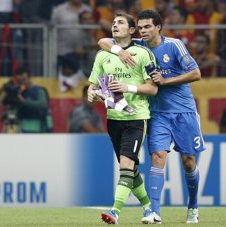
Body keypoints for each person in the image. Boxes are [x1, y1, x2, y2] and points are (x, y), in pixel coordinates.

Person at [98, 9, 205, 224]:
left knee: (188, 162)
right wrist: (120, 51)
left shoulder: (173, 45)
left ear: (158, 27)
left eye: (148, 27)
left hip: (184, 111)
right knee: (157, 158)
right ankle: (154, 211)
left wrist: (167, 81)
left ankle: (193, 205)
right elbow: (103, 41)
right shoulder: (138, 46)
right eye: (140, 27)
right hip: (157, 114)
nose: (143, 31)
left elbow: (196, 74)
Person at [88, 12, 158, 224]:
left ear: (131, 30)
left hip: (136, 118)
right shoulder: (102, 55)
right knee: (131, 169)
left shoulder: (142, 53)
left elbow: (153, 89)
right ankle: (148, 209)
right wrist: (91, 92)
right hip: (114, 118)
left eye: (120, 23)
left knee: (126, 165)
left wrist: (127, 87)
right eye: (113, 22)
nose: (114, 25)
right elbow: (94, 84)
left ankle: (115, 211)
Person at [0, 67, 53, 133]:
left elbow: (43, 105)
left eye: (24, 80)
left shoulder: (38, 91)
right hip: (21, 132)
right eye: (19, 81)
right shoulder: (17, 92)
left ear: (29, 78)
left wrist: (23, 101)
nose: (22, 83)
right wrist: (5, 89)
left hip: (38, 133)